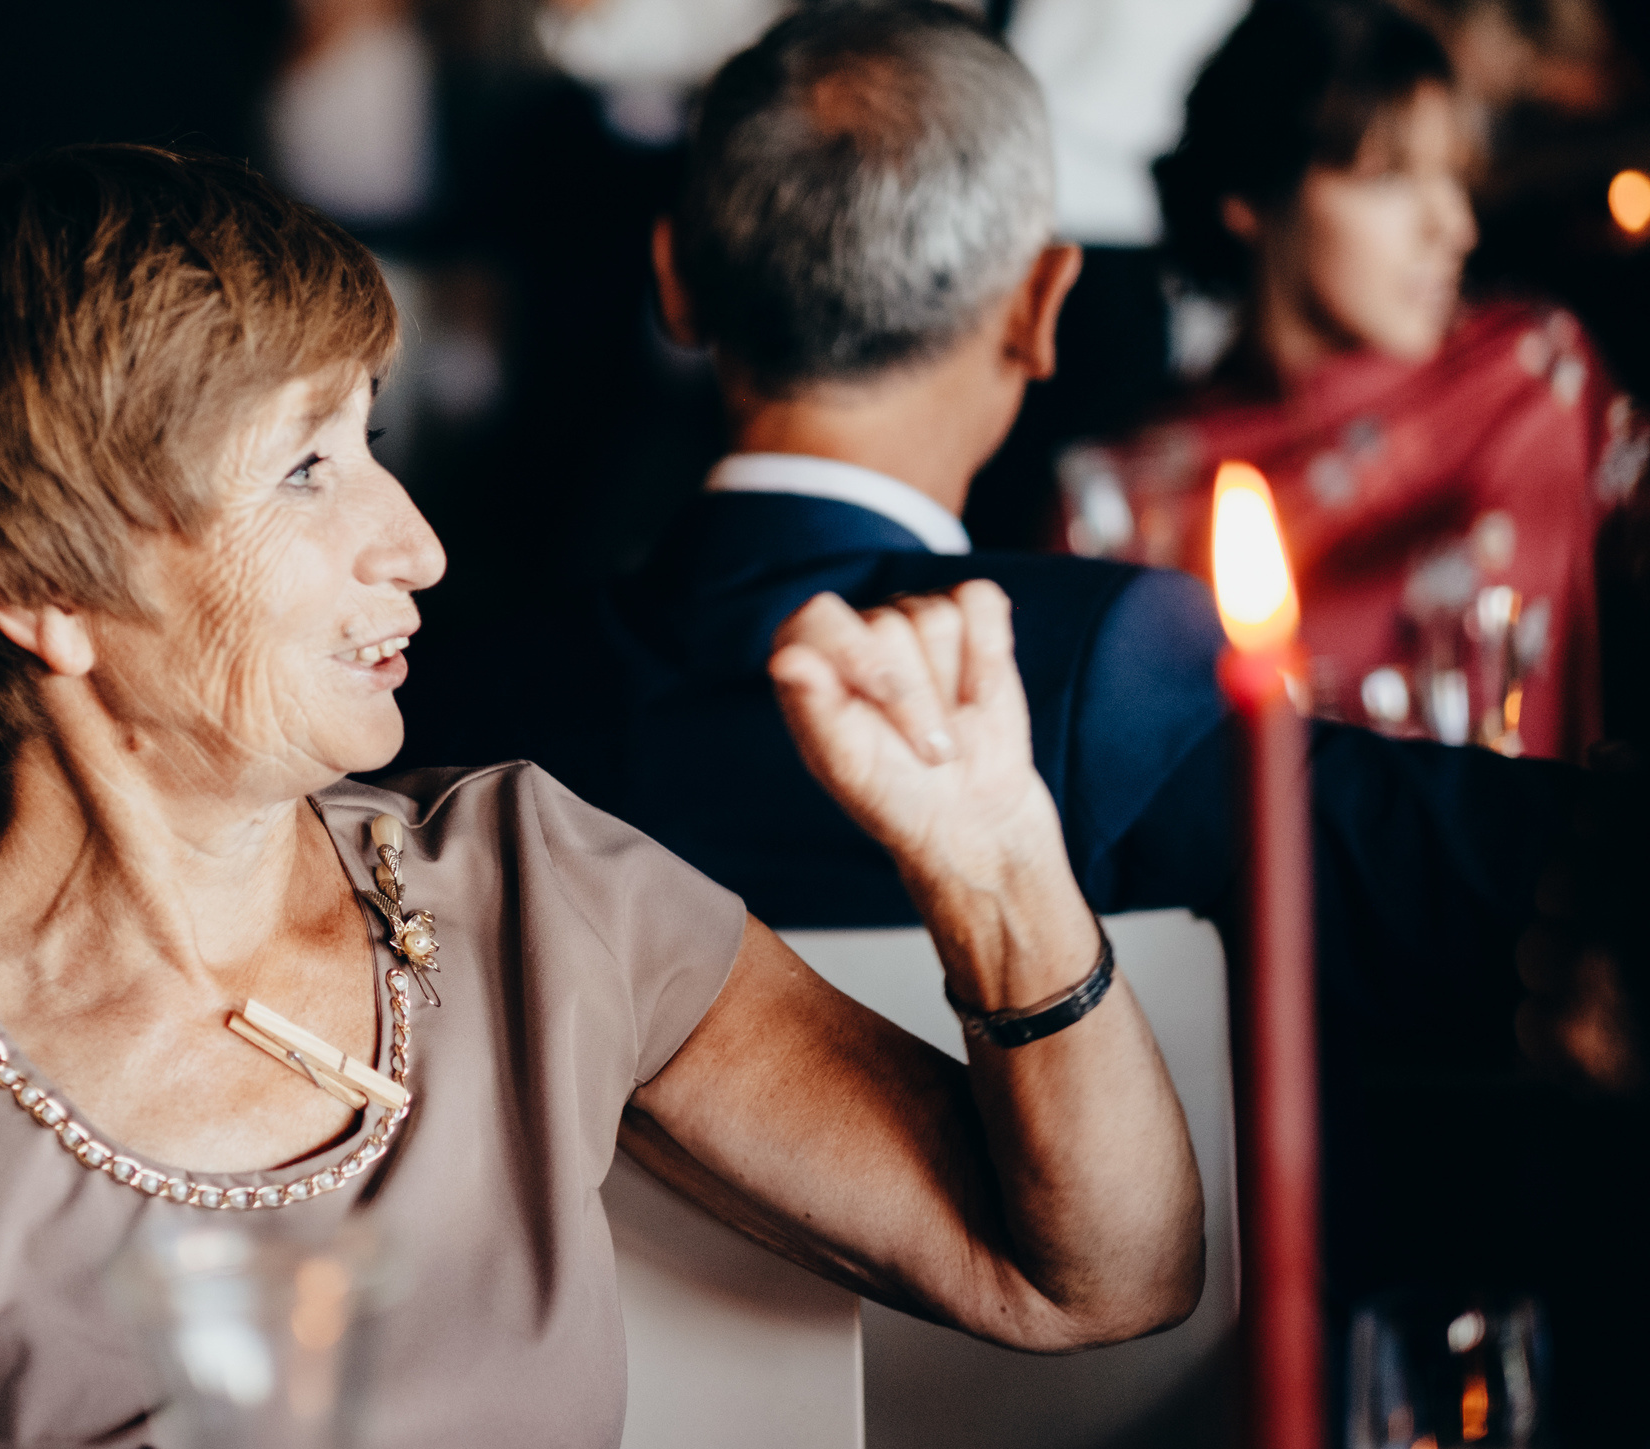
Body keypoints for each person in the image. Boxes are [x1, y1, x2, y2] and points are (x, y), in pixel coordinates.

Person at [0, 146, 1203, 1449]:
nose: (418, 544)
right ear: (38, 583)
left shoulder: (527, 886)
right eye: (308, 465)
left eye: (374, 437)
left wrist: (1001, 873)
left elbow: (1088, 1275)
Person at [401, 0, 1589, 1071]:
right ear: (1039, 305)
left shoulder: (450, 710)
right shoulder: (1104, 667)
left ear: (675, 284)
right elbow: (1517, 878)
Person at [1057, 0, 1645, 758]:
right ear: (1251, 198)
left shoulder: (1530, 375)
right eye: (1393, 181)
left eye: (1455, 179)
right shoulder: (1125, 498)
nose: (1453, 227)